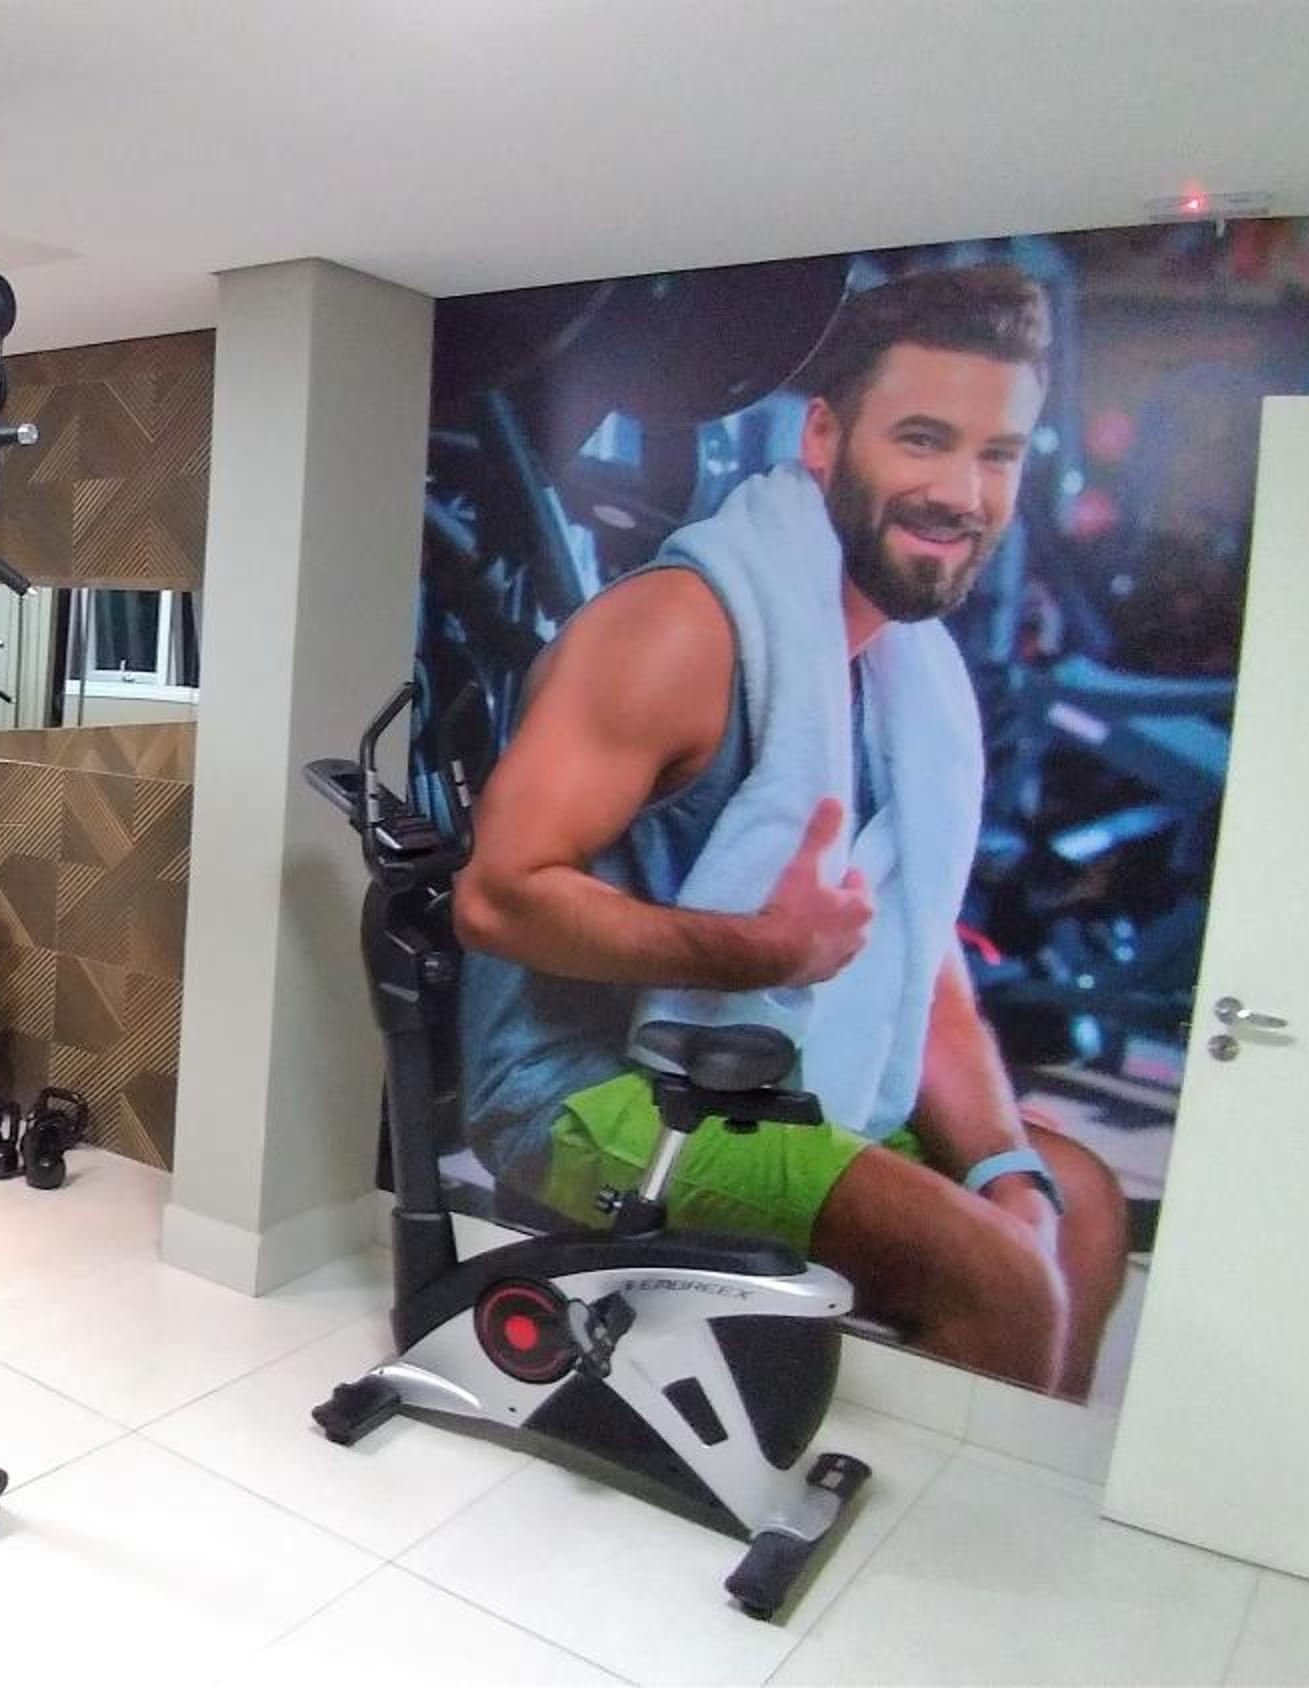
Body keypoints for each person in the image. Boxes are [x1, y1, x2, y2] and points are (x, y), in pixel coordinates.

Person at [451, 265, 1128, 1397]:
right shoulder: (679, 631)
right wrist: (762, 950)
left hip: (768, 1079)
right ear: (823, 435)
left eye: (998, 455)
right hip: (578, 1089)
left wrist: (1007, 1167)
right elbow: (496, 897)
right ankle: (900, 1498)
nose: (961, 491)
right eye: (922, 440)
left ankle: (921, 1468)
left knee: (1080, 1207)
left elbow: (920, 965)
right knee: (1003, 1283)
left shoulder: (908, 679)